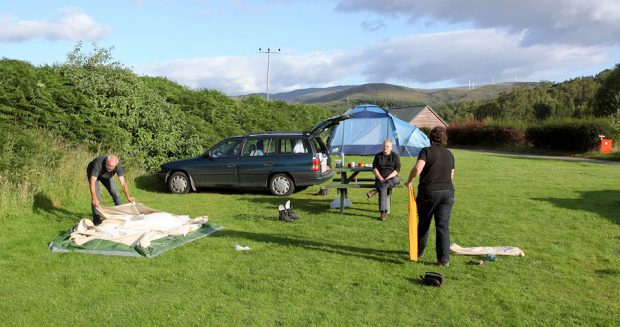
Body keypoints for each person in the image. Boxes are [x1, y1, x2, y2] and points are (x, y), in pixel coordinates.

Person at [406, 126, 455, 267]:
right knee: (443, 226)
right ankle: (444, 259)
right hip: (448, 192)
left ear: (430, 137)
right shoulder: (450, 154)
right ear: (444, 139)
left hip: (429, 192)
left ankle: (418, 252)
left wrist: (409, 181)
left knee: (424, 222)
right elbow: (451, 175)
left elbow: (417, 169)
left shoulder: (426, 151)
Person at [86, 155, 135, 225]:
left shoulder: (117, 166)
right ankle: (96, 220)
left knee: (115, 192)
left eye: (112, 166)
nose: (110, 167)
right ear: (106, 161)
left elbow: (123, 183)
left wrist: (128, 197)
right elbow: (92, 182)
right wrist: (94, 197)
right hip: (93, 174)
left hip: (107, 176)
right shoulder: (98, 164)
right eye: (108, 165)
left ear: (116, 165)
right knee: (96, 197)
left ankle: (122, 214)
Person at [369, 139, 400, 221]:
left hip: (392, 178)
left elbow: (397, 170)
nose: (385, 148)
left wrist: (386, 178)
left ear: (391, 147)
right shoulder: (378, 156)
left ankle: (376, 190)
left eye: (387, 146)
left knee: (395, 180)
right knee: (383, 188)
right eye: (384, 146)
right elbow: (374, 169)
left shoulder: (395, 156)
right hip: (380, 179)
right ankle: (383, 212)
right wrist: (381, 178)